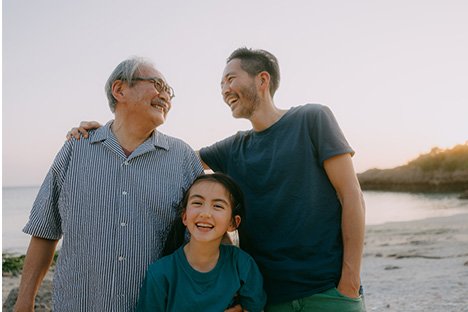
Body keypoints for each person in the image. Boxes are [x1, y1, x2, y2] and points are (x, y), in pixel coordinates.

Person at [68, 47, 366, 311]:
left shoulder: (312, 119)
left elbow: (351, 195)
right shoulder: (233, 147)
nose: (224, 89)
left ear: (262, 80)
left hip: (329, 292)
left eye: (230, 79)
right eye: (221, 84)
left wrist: (349, 281)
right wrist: (109, 131)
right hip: (270, 296)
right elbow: (169, 157)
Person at [14, 57, 204, 312]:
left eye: (169, 91)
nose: (166, 96)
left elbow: (206, 239)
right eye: (158, 84)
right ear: (119, 90)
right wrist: (23, 303)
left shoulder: (182, 158)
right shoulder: (76, 149)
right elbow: (45, 231)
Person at [136, 173, 267, 312]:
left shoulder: (242, 265)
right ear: (185, 216)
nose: (205, 213)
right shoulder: (160, 273)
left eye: (217, 206)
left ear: (233, 222)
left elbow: (254, 308)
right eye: (197, 203)